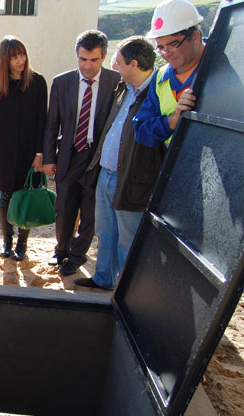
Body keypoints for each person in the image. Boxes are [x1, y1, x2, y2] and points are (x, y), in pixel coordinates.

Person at [75, 36, 162, 290]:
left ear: (134, 64)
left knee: (128, 238)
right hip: (108, 172)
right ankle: (103, 279)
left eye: (119, 62)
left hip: (133, 178)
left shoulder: (156, 92)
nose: (114, 67)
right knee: (106, 232)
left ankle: (126, 291)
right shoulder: (124, 89)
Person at [42, 30, 120, 276]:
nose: (88, 66)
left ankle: (77, 256)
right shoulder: (61, 82)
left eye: (94, 60)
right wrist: (48, 158)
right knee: (63, 209)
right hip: (68, 155)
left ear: (104, 57)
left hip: (98, 158)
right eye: (83, 59)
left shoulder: (116, 81)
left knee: (90, 213)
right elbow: (52, 124)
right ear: (76, 56)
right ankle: (60, 251)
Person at [0, 36, 47, 261]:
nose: (21, 60)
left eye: (22, 55)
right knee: (5, 196)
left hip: (30, 151)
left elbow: (43, 120)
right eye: (14, 57)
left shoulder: (38, 81)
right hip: (5, 150)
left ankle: (22, 243)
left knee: (26, 194)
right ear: (5, 60)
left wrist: (40, 153)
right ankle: (7, 241)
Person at [134, 0, 205, 148]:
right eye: (160, 47)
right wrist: (173, 120)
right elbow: (142, 131)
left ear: (196, 37)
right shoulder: (160, 77)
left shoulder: (223, 69)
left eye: (173, 44)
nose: (166, 54)